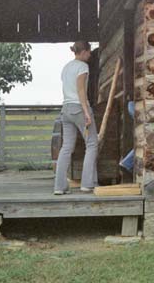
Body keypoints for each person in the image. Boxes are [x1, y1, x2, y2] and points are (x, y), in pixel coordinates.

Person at [54, 41, 98, 194]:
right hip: (79, 108)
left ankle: (59, 187)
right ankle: (87, 183)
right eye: (89, 52)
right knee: (92, 143)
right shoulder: (82, 66)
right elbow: (80, 90)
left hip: (65, 109)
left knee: (66, 147)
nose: (90, 55)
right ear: (84, 51)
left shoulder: (66, 67)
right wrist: (86, 112)